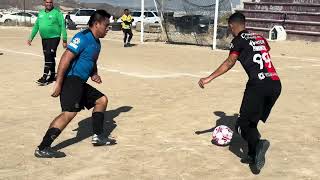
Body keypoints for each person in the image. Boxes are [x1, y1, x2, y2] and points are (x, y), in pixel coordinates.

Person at [198, 12, 281, 173]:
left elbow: (230, 62)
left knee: (242, 124)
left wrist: (209, 78)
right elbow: (263, 52)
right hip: (275, 83)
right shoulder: (259, 37)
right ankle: (252, 155)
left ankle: (259, 145)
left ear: (231, 26)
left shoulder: (238, 40)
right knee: (252, 122)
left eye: (229, 28)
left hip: (258, 85)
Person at [34, 10, 115, 158]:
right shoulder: (82, 37)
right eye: (106, 25)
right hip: (71, 80)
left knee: (101, 100)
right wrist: (58, 82)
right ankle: (43, 147)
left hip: (80, 81)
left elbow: (91, 60)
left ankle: (98, 136)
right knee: (69, 113)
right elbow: (66, 58)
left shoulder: (97, 42)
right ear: (96, 24)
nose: (108, 28)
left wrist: (94, 73)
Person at [27, 0, 67, 86]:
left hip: (54, 38)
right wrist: (31, 37)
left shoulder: (57, 13)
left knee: (49, 54)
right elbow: (36, 26)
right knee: (49, 56)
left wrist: (64, 39)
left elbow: (62, 25)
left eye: (50, 2)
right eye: (47, 2)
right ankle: (52, 75)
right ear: (44, 3)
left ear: (52, 3)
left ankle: (44, 77)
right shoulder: (41, 13)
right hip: (44, 39)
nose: (48, 4)